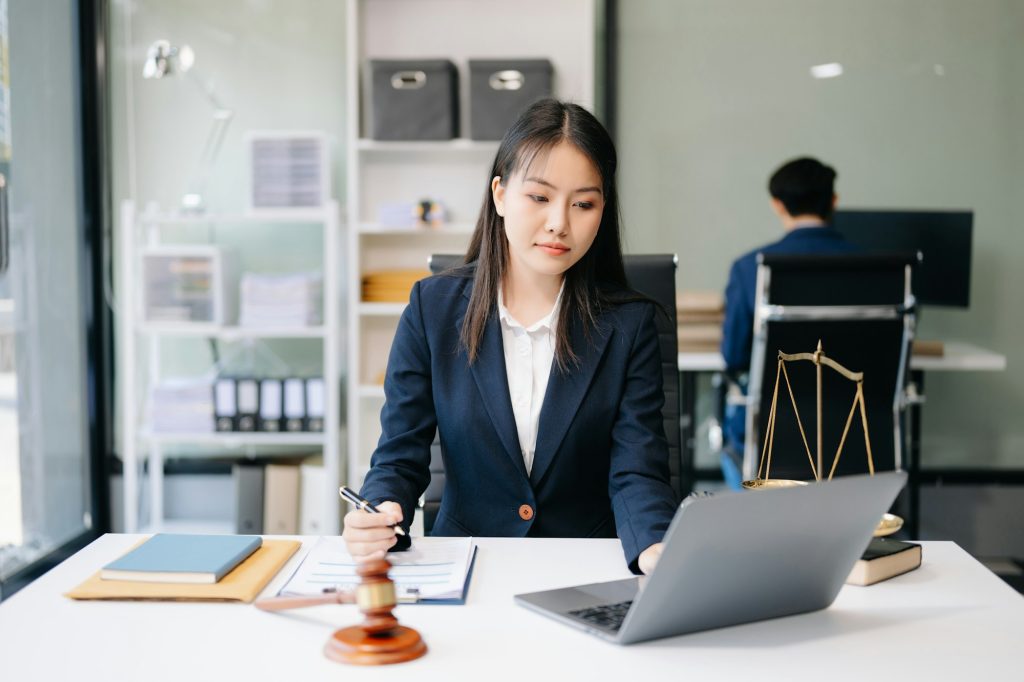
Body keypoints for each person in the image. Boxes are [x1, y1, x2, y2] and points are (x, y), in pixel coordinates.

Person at [343, 99, 677, 575]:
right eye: (539, 197)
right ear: (499, 195)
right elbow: (400, 453)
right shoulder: (431, 308)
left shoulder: (629, 324)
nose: (560, 222)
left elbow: (637, 470)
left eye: (583, 204)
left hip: (584, 568)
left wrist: (654, 549)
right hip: (467, 565)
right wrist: (380, 509)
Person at [719, 157, 858, 487]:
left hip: (773, 434)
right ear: (833, 202)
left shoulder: (750, 267)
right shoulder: (882, 269)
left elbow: (734, 356)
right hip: (854, 430)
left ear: (778, 205)